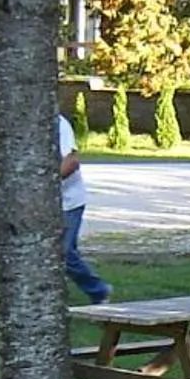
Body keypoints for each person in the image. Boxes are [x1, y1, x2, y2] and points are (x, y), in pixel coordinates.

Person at [56, 113, 112, 304]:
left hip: (69, 200)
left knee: (64, 251)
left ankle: (99, 290)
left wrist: (45, 184)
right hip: (40, 202)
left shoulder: (58, 123)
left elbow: (71, 161)